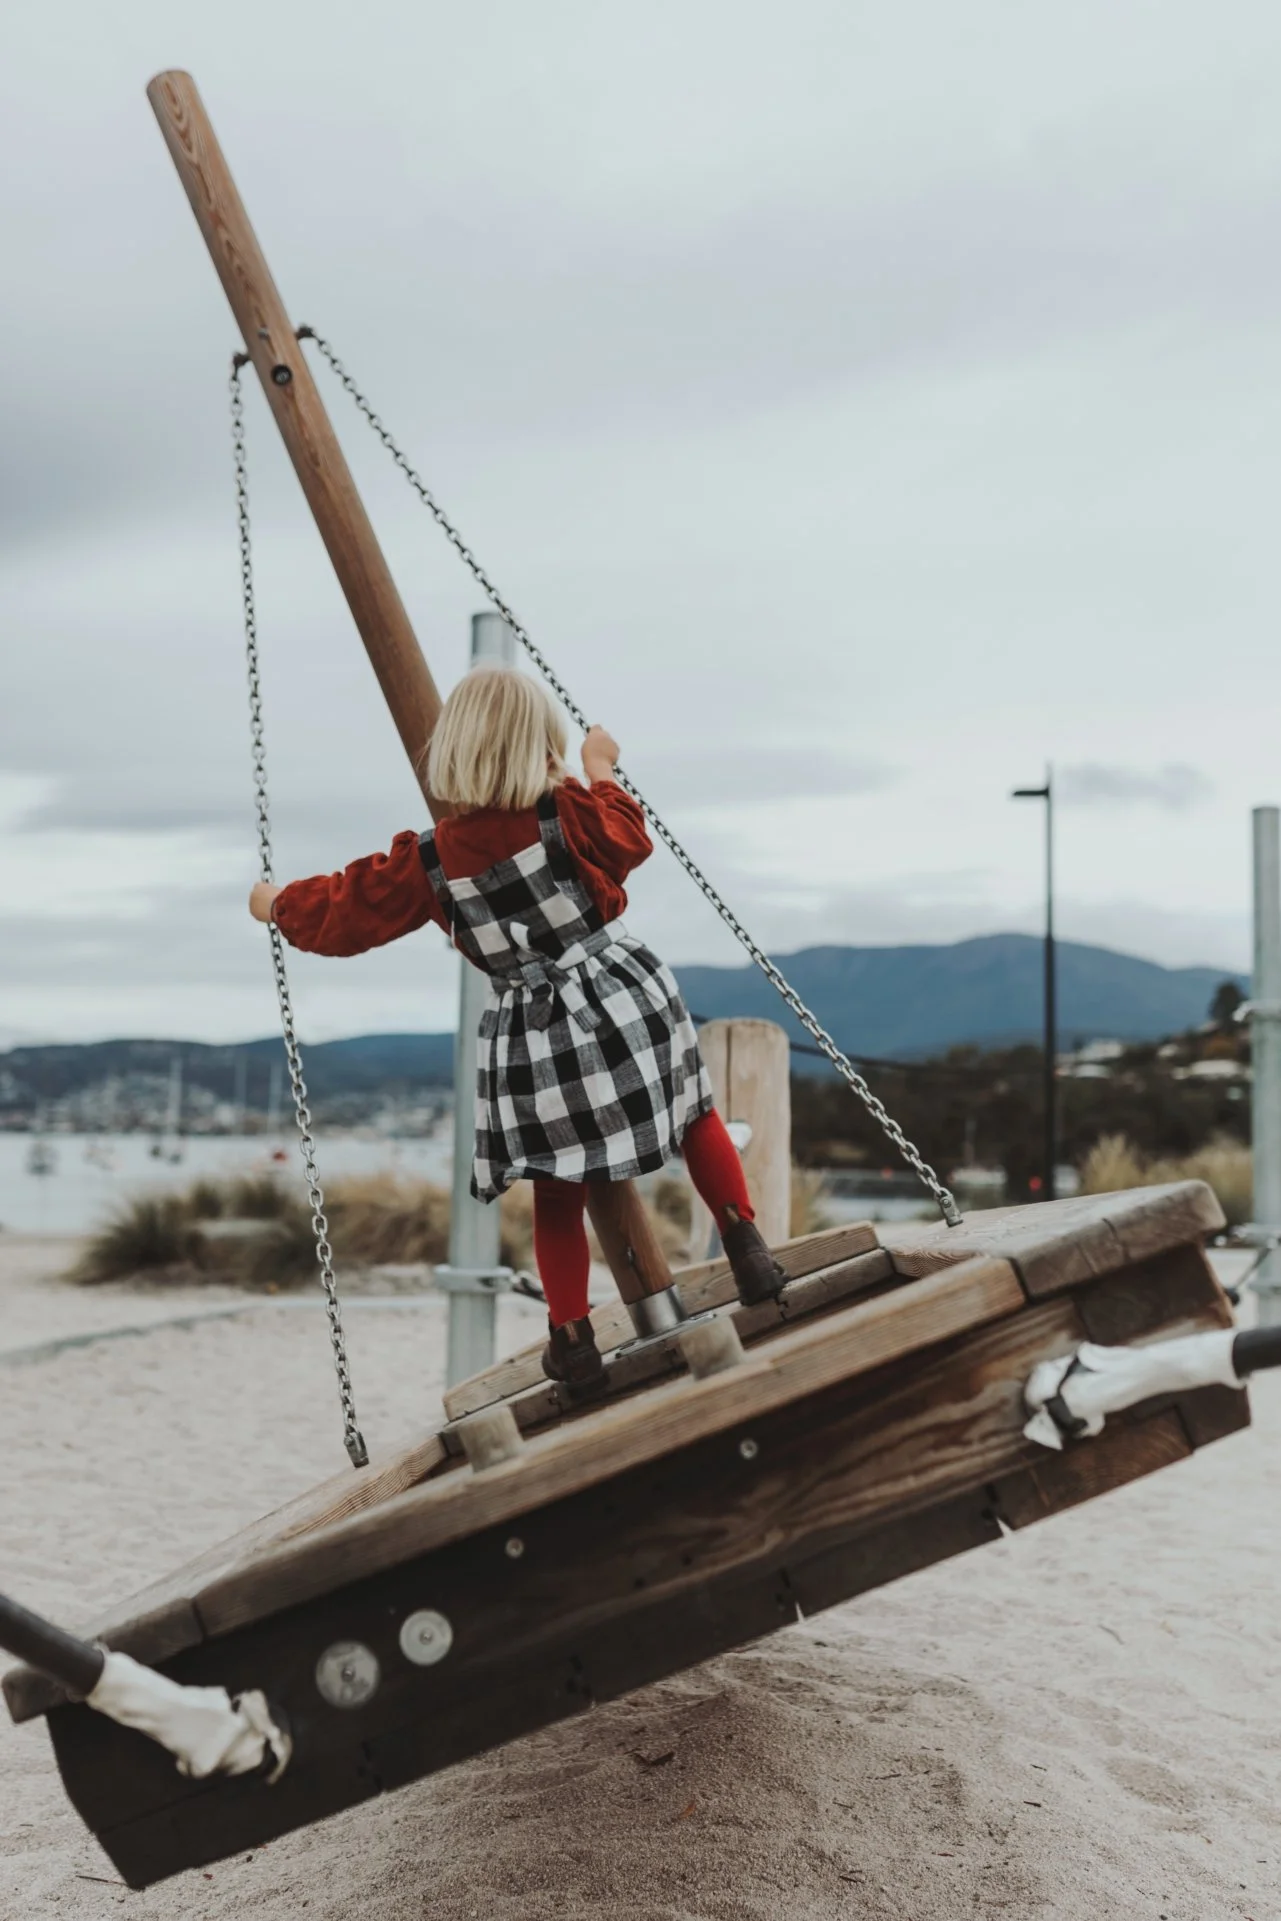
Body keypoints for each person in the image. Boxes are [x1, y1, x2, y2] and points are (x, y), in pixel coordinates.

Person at [250, 665, 784, 1388]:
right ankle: (745, 1245)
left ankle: (572, 1336)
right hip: (621, 993)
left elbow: (347, 910)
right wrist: (599, 768)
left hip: (533, 1034)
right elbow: (629, 839)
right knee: (694, 1117)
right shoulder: (567, 810)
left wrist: (277, 903)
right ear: (540, 746)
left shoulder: (429, 859)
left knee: (556, 1189)